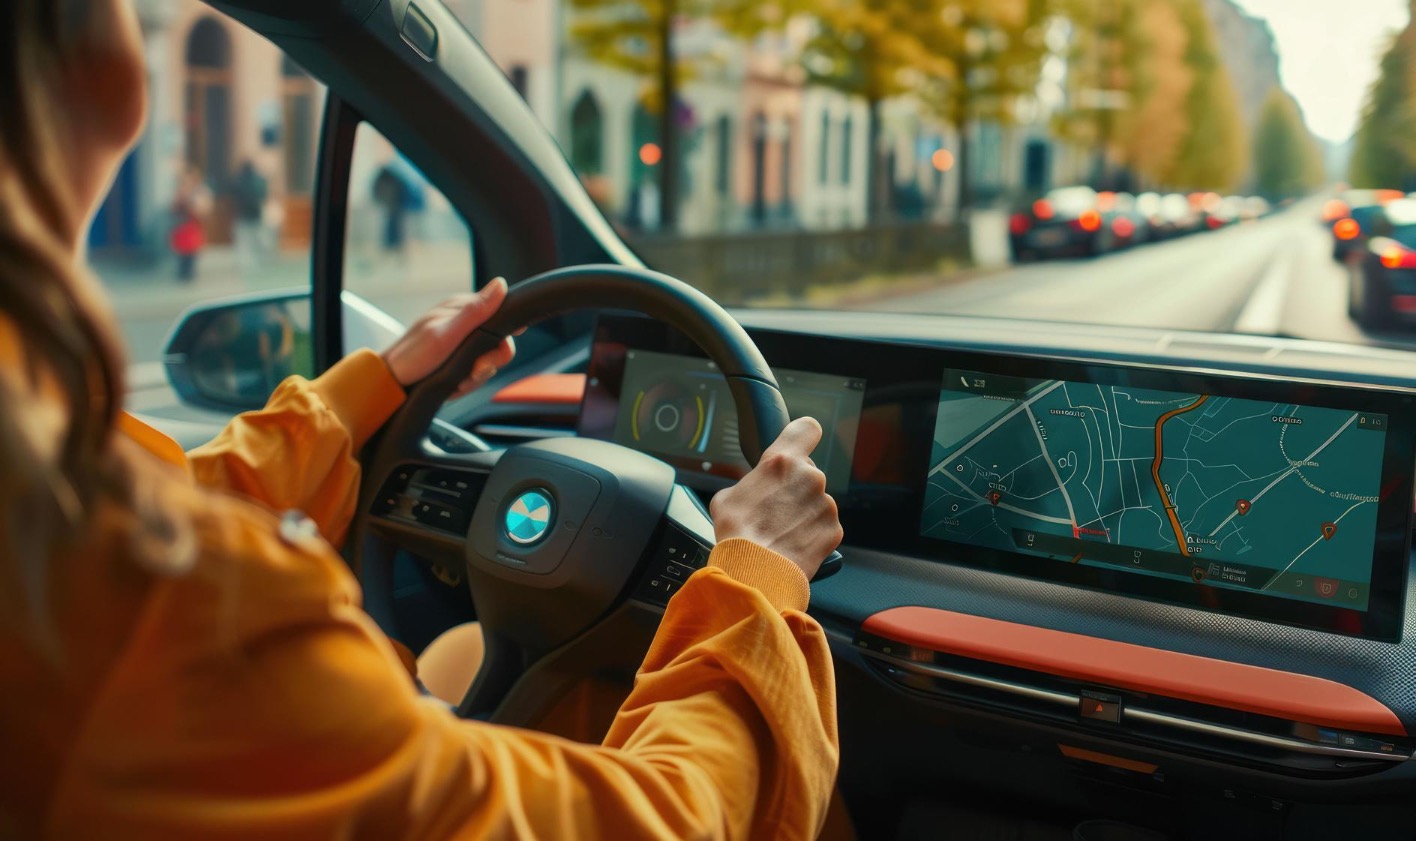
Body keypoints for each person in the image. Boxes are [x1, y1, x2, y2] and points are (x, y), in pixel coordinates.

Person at [0, 2, 841, 838]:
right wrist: (753, 582)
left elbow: (170, 497)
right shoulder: (177, 619)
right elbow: (671, 824)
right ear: (86, 67)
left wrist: (379, 383)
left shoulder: (57, 520)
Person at [169, 163, 211, 281]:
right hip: (181, 227)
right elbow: (173, 208)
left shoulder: (200, 191)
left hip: (193, 227)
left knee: (191, 255)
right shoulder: (180, 191)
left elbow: (203, 210)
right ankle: (183, 275)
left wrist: (192, 205)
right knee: (182, 255)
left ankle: (189, 275)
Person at [229, 158, 269, 274]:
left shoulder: (239, 181)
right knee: (256, 240)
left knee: (244, 242)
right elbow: (263, 194)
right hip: (256, 214)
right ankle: (257, 263)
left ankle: (247, 265)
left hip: (243, 215)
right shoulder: (259, 180)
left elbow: (233, 192)